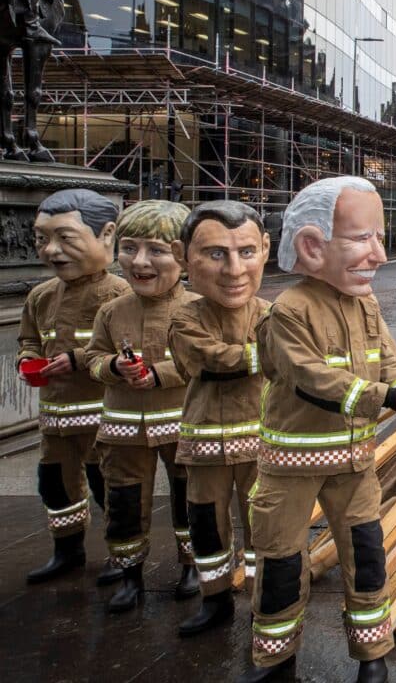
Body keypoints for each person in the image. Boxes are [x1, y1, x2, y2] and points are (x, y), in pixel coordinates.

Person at [239, 177, 396, 683]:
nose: (380, 255)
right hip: (291, 466)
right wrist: (387, 397)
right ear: (311, 246)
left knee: (367, 559)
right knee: (282, 564)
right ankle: (275, 660)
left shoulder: (364, 303)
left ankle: (373, 656)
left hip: (354, 463)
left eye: (379, 237)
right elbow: (311, 378)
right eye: (363, 238)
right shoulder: (288, 311)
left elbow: (387, 355)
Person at [81, 200, 200, 613]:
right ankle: (130, 574)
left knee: (192, 500)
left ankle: (192, 566)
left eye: (156, 250)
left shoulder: (197, 309)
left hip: (184, 426)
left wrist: (160, 374)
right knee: (125, 504)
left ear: (183, 257)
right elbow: (93, 358)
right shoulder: (111, 311)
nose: (139, 261)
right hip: (122, 429)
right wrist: (113, 366)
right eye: (129, 248)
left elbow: (203, 359)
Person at [168, 201, 271, 637]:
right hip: (205, 441)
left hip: (262, 444)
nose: (233, 269)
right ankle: (214, 599)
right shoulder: (186, 317)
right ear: (182, 256)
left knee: (263, 527)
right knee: (207, 524)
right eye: (215, 254)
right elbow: (207, 359)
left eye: (246, 252)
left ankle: (259, 597)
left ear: (266, 249)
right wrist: (266, 355)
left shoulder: (271, 313)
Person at [18, 189, 130, 584]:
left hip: (104, 418)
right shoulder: (40, 296)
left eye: (65, 238)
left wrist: (80, 359)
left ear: (106, 234)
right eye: (41, 239)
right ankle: (67, 548)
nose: (52, 250)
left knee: (110, 488)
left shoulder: (120, 295)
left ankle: (124, 554)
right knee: (55, 484)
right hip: (55, 416)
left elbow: (130, 348)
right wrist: (25, 360)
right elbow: (29, 340)